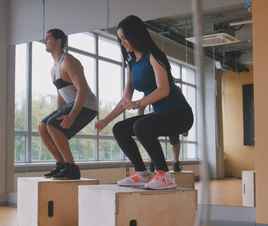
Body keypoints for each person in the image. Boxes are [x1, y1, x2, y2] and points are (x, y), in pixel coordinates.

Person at [95, 15, 194, 189]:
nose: (123, 42)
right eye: (120, 39)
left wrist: (138, 103)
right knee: (119, 129)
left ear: (136, 35)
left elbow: (163, 90)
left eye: (125, 37)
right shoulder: (131, 65)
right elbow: (125, 100)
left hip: (180, 114)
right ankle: (141, 173)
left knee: (141, 126)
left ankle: (165, 175)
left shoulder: (155, 56)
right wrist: (106, 120)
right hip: (161, 115)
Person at [39, 29, 98, 180]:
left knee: (52, 125)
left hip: (87, 104)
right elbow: (61, 94)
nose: (44, 41)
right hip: (72, 103)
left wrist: (72, 115)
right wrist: (59, 113)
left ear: (58, 41)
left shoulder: (68, 61)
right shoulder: (54, 68)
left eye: (48, 39)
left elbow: (83, 89)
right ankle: (61, 165)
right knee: (43, 126)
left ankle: (72, 168)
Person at [138, 85, 188, 173]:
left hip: (171, 116)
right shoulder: (151, 89)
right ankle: (151, 163)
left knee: (174, 138)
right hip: (157, 116)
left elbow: (184, 107)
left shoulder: (175, 88)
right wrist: (140, 126)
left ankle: (175, 164)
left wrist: (185, 127)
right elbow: (141, 109)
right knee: (149, 137)